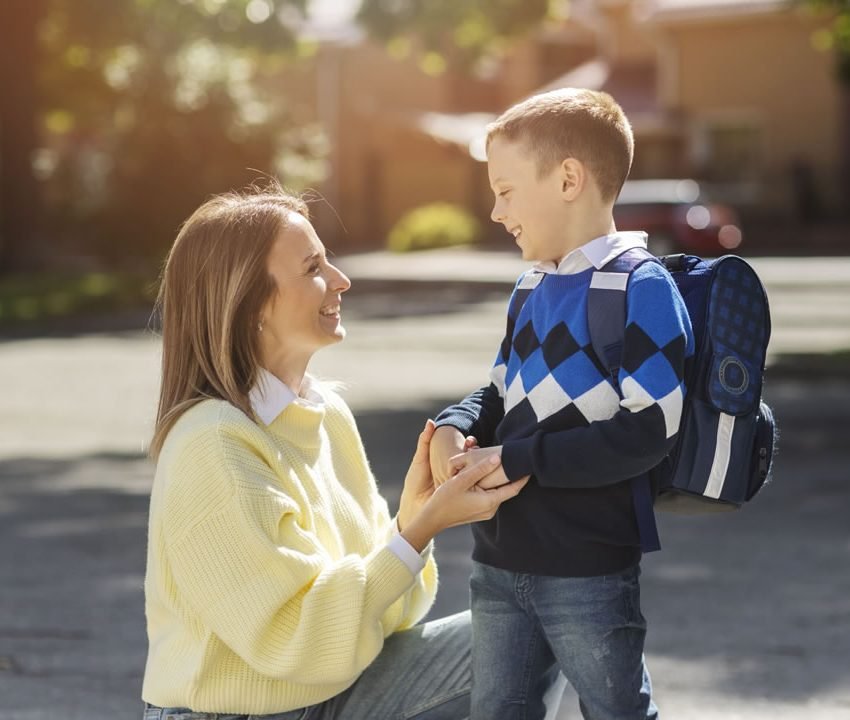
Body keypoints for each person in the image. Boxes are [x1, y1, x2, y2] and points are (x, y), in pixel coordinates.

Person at [141, 184, 528, 720]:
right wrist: (417, 533)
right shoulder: (213, 445)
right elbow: (294, 641)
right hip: (240, 712)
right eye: (313, 268)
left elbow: (390, 618)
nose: (341, 280)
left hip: (328, 692)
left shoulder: (323, 413)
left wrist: (409, 524)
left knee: (537, 632)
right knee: (524, 641)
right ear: (251, 302)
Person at [429, 88, 695, 720]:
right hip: (498, 562)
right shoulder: (530, 287)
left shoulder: (640, 287)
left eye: (507, 190)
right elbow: (499, 390)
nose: (495, 211)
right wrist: (455, 421)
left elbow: (648, 431)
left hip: (588, 569)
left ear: (569, 178)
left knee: (615, 711)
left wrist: (515, 457)